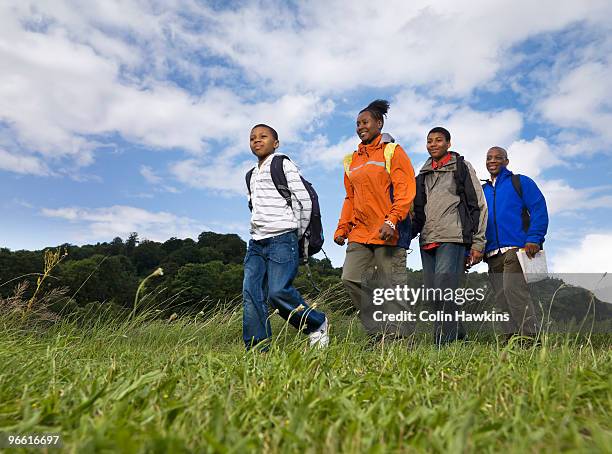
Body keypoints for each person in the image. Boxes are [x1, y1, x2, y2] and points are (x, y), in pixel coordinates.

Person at [334, 100, 416, 338]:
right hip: (360, 232)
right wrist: (343, 227)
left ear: (379, 123)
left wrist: (392, 220)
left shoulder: (393, 152)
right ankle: (377, 330)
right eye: (358, 124)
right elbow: (350, 197)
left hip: (388, 230)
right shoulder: (352, 160)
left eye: (365, 122)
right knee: (350, 278)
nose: (361, 127)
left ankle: (400, 338)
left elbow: (405, 191)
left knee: (392, 287)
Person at [242, 124, 328, 350]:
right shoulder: (250, 174)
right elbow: (254, 207)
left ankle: (317, 323)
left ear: (275, 143)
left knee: (278, 292)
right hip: (256, 243)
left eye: (263, 136)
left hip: (283, 238)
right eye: (252, 138)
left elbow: (304, 200)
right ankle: (257, 349)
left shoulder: (282, 163)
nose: (257, 140)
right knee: (252, 295)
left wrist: (296, 233)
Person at [412, 127, 487, 345]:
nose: (433, 144)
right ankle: (459, 336)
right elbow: (419, 210)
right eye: (429, 141)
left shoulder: (461, 168)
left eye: (438, 140)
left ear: (448, 143)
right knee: (434, 293)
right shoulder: (423, 175)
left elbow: (479, 205)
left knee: (445, 287)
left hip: (453, 237)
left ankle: (443, 342)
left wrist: (478, 243)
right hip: (427, 239)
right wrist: (406, 236)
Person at [483, 146, 548, 341]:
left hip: (517, 249)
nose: (492, 161)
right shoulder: (482, 190)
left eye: (498, 157)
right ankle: (510, 342)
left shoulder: (520, 182)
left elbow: (538, 209)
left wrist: (534, 238)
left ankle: (531, 340)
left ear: (506, 161)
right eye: (489, 158)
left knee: (514, 292)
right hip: (492, 253)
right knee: (501, 298)